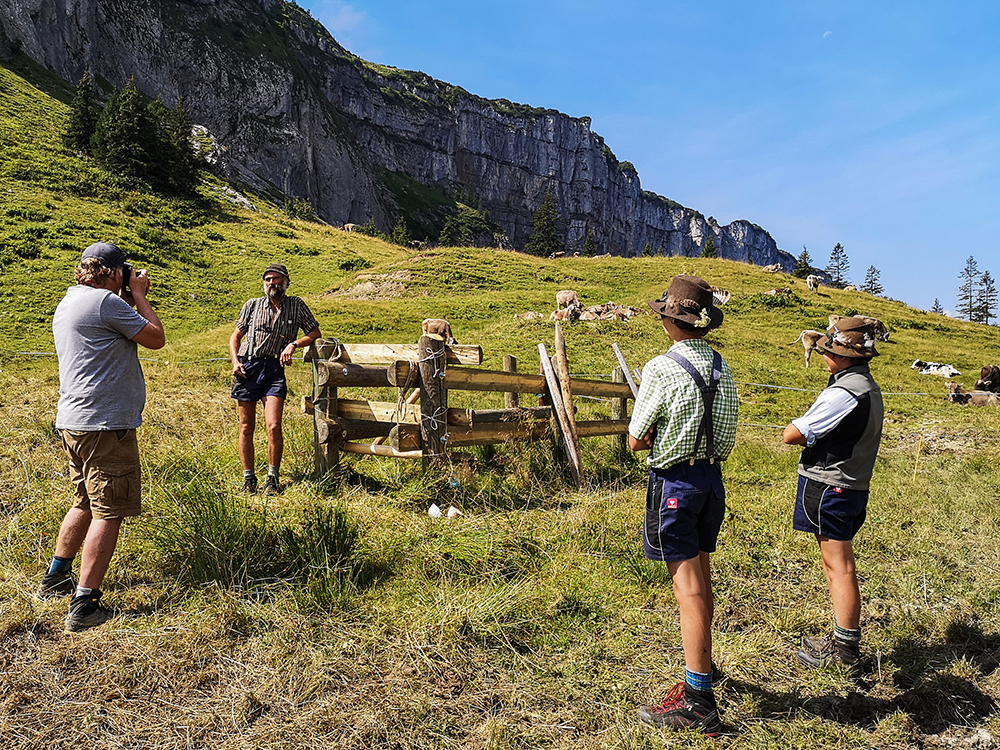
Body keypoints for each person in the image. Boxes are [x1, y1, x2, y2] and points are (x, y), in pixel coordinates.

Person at [628, 275, 739, 735]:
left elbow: (636, 438)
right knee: (703, 579)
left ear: (671, 320)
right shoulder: (722, 367)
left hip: (674, 481)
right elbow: (729, 433)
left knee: (687, 589)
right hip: (711, 479)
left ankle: (698, 702)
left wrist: (654, 436)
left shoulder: (660, 367)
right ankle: (704, 668)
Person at [40, 241, 166, 633]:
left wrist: (125, 294)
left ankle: (56, 576)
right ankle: (84, 603)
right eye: (124, 272)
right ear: (113, 273)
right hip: (106, 426)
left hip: (74, 422)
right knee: (109, 510)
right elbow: (155, 337)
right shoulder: (105, 304)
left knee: (84, 502)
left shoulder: (70, 301)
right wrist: (139, 296)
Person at [782, 317, 883, 672]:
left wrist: (799, 427)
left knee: (838, 567)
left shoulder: (843, 392)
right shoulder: (867, 386)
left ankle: (845, 652)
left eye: (829, 349)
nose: (824, 354)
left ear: (842, 356)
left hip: (831, 486)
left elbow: (793, 434)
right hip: (853, 483)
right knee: (839, 565)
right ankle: (843, 642)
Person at [229, 263, 321, 494]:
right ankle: (249, 479)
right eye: (268, 279)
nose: (272, 283)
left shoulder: (296, 305)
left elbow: (314, 333)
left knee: (273, 425)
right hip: (248, 366)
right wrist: (235, 361)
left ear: (286, 282)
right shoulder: (252, 305)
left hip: (274, 368)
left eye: (277, 279)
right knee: (246, 425)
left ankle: (272, 478)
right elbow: (235, 337)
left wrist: (293, 344)